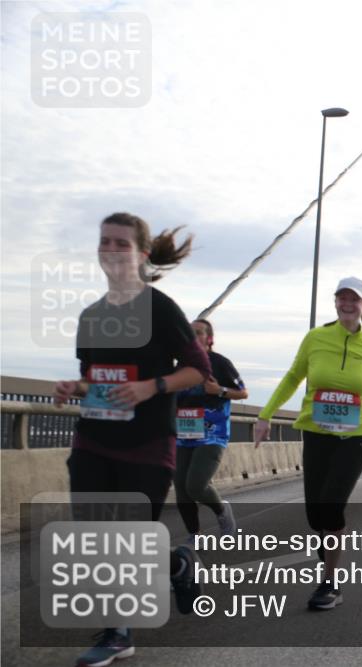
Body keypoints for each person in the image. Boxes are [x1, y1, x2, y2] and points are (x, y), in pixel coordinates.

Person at [52, 212, 211, 667]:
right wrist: (74, 388)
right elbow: (94, 377)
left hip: (147, 444)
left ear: (141, 255)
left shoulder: (160, 309)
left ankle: (175, 566)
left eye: (121, 243)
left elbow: (197, 369)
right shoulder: (92, 315)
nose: (110, 249)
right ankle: (117, 631)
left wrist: (151, 386)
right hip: (94, 439)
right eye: (104, 241)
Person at [253, 276, 362, 610]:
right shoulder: (316, 338)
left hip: (356, 436)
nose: (348, 303)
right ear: (336, 303)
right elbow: (292, 377)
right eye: (342, 298)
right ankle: (328, 541)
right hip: (317, 433)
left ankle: (330, 582)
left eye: (355, 299)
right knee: (315, 514)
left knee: (332, 506)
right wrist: (265, 415)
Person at [175, 318, 247, 544]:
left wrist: (220, 390)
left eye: (197, 333)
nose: (192, 337)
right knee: (181, 491)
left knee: (195, 485)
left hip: (212, 434)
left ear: (209, 339)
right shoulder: (181, 366)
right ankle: (194, 536)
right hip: (183, 433)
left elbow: (243, 393)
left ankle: (222, 511)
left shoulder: (220, 363)